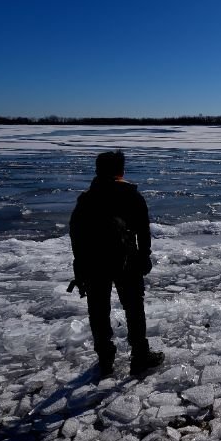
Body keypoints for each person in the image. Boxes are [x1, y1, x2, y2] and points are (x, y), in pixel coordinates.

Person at [69, 151, 164, 378]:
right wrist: (144, 256)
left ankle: (105, 358)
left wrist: (79, 266)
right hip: (126, 260)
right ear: (121, 171)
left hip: (93, 263)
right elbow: (143, 229)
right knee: (133, 307)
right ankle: (140, 355)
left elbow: (77, 235)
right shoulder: (131, 196)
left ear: (97, 170)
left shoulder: (87, 199)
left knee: (98, 311)